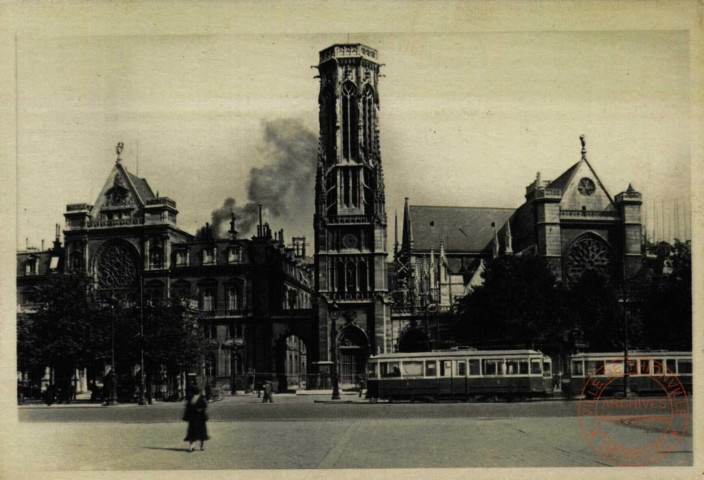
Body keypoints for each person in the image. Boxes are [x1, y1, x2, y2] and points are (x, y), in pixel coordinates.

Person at [182, 385, 210, 452]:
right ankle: (192, 446)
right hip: (193, 417)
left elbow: (204, 407)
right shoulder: (191, 398)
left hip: (199, 417)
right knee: (192, 432)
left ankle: (201, 445)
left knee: (201, 432)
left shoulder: (200, 398)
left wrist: (200, 410)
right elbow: (188, 408)